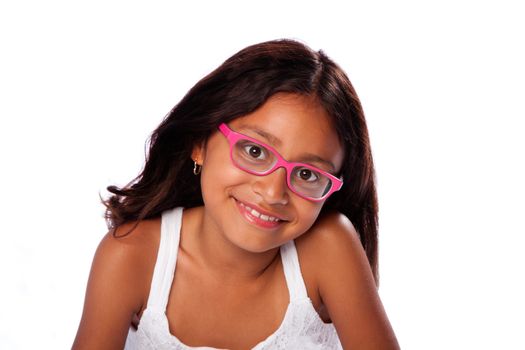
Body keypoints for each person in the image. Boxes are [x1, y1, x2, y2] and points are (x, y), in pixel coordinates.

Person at [72, 39, 399, 350]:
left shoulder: (327, 248)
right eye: (255, 151)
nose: (273, 192)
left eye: (307, 174)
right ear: (199, 142)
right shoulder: (131, 256)